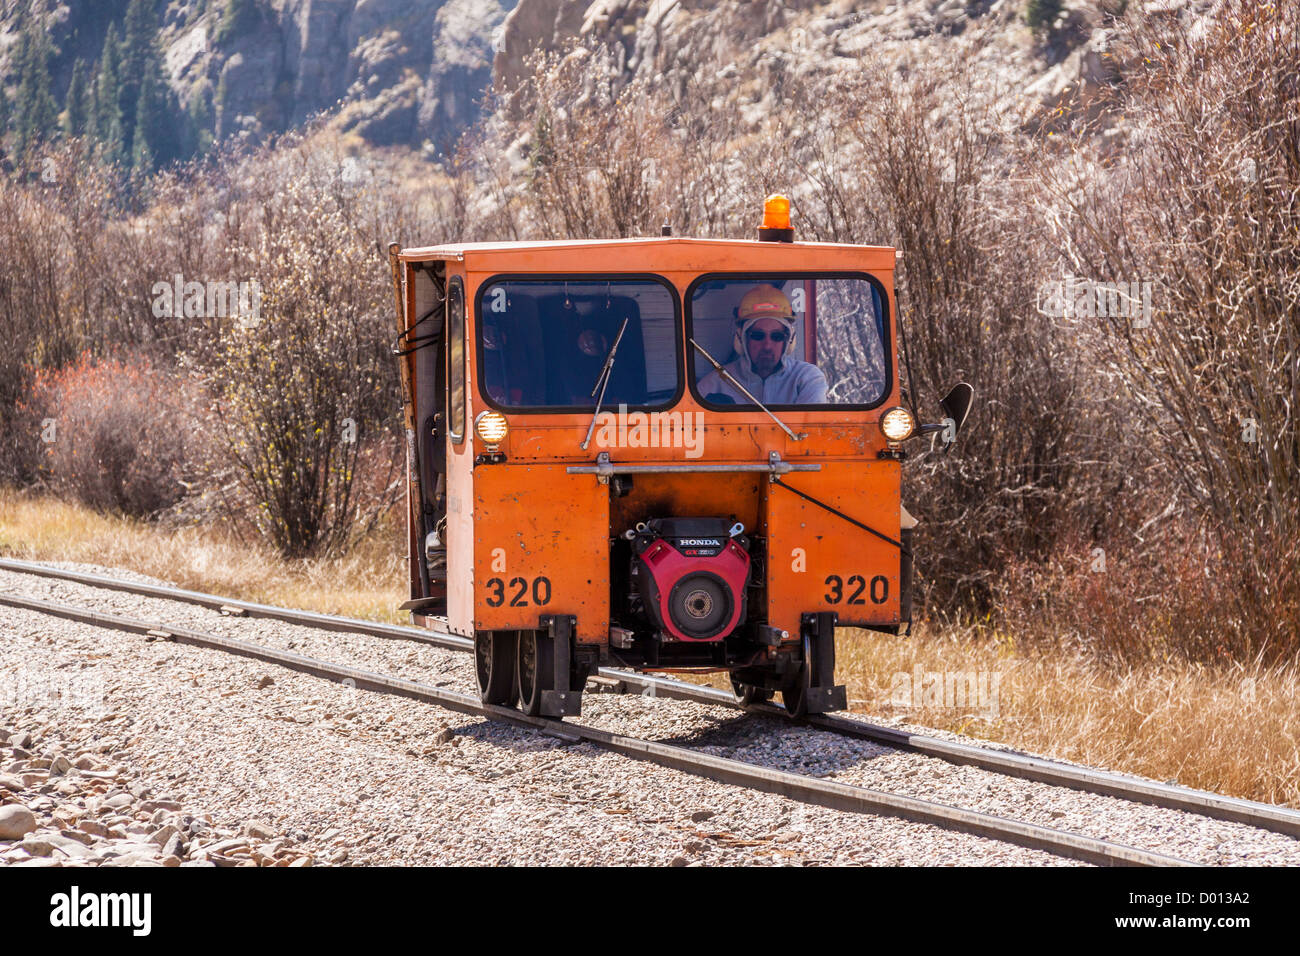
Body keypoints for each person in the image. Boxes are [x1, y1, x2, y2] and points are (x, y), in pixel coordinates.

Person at [698, 284, 828, 404]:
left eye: (777, 336)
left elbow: (810, 428)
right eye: (757, 336)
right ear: (741, 338)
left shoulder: (806, 379)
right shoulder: (715, 384)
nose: (767, 346)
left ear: (789, 340)